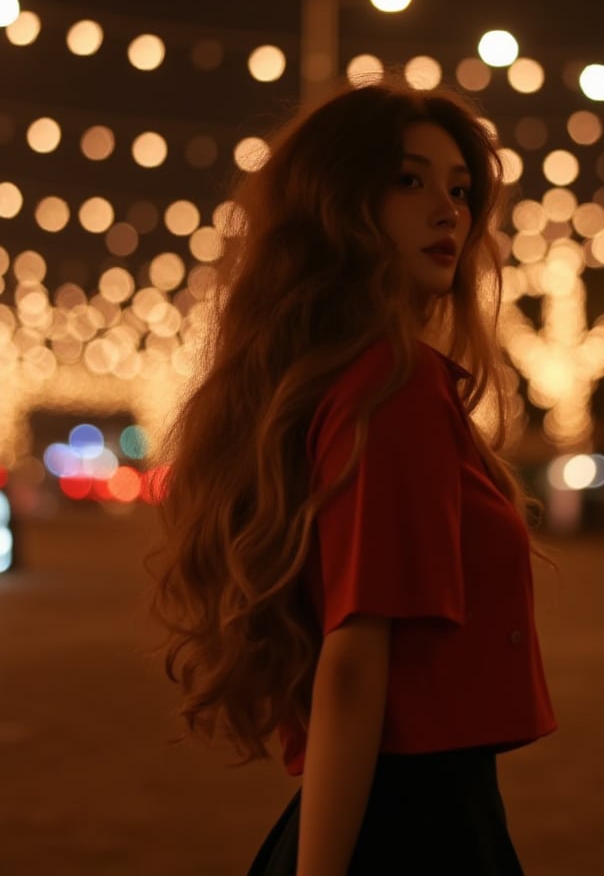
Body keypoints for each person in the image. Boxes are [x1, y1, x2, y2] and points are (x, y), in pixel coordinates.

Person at [147, 74, 557, 875]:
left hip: (401, 813)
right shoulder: (390, 389)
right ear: (338, 205)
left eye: (461, 190)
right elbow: (355, 658)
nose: (450, 213)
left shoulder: (348, 382)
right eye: (409, 180)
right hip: (413, 828)